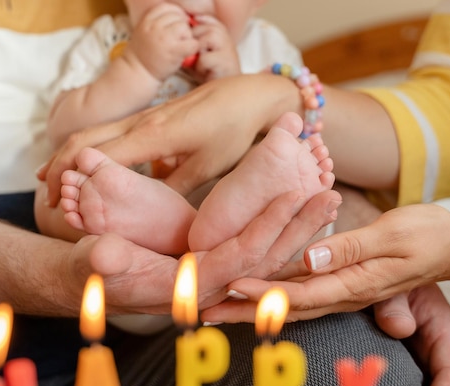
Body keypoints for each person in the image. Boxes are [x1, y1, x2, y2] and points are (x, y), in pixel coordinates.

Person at [0, 2, 427, 386]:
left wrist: (237, 90)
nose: (193, 4)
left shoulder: (268, 52)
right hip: (87, 262)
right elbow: (68, 127)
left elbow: (326, 122)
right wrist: (137, 69)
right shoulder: (114, 40)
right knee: (69, 189)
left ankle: (246, 198)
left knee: (351, 349)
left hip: (190, 310)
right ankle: (160, 219)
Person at [35, 0, 325, 256]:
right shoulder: (108, 38)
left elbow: (300, 123)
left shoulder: (265, 45)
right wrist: (137, 67)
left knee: (280, 150)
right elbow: (63, 131)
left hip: (217, 196)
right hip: (116, 213)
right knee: (52, 193)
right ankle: (158, 224)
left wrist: (231, 82)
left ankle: (227, 212)